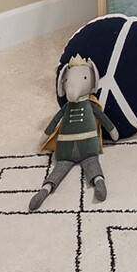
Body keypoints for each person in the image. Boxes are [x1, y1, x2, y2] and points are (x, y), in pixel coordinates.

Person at [30, 55, 119, 211]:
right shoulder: (67, 107)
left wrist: (113, 131)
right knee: (60, 168)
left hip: (86, 147)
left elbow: (103, 118)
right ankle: (45, 190)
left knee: (92, 164)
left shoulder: (90, 105)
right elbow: (54, 122)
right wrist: (44, 138)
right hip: (66, 150)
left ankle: (99, 182)